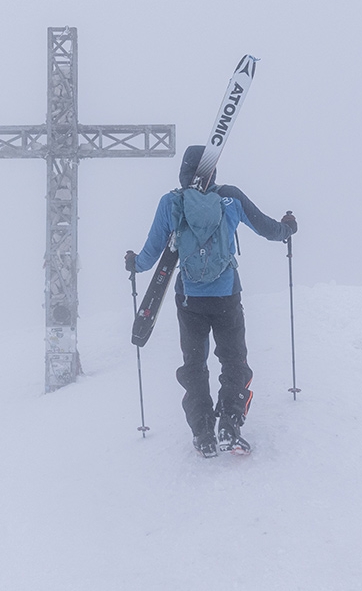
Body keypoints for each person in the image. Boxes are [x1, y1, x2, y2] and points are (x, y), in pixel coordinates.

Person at [125, 144, 297, 457]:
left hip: (190, 299)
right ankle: (229, 423)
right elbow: (267, 228)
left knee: (194, 365)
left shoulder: (172, 202)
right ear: (211, 172)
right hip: (227, 296)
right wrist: (287, 228)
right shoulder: (230, 198)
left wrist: (134, 263)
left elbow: (151, 252)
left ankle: (203, 432)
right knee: (233, 360)